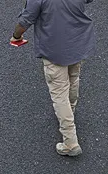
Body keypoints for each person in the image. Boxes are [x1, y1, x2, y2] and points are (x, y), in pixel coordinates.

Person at [11, 0, 95, 157]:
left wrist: (16, 36)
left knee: (59, 93)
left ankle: (70, 142)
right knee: (73, 79)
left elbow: (25, 21)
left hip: (53, 50)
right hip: (78, 44)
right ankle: (70, 111)